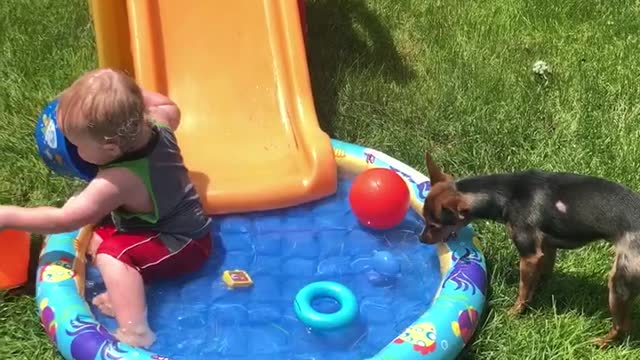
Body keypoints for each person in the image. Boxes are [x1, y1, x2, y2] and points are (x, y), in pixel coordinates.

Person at [0, 68, 212, 347]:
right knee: (100, 237)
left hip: (182, 245)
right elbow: (168, 105)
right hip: (171, 225)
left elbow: (66, 220)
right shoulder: (158, 121)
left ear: (110, 148)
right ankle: (130, 286)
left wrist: (7, 216)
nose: (73, 151)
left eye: (76, 145)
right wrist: (125, 98)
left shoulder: (118, 180)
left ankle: (136, 329)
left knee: (112, 254)